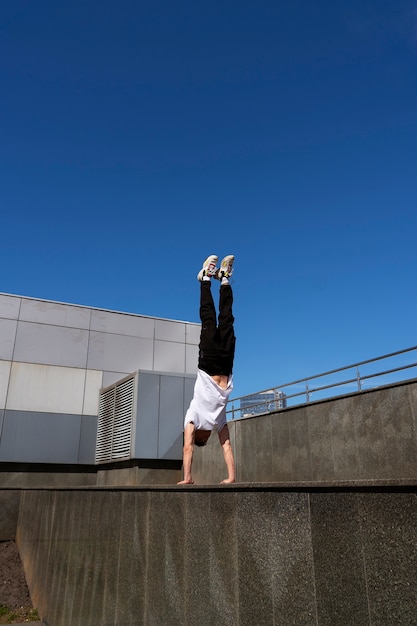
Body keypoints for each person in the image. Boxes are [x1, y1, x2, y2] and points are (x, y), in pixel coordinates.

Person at [177, 254, 236, 485]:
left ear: (200, 436)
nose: (209, 436)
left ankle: (204, 279)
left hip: (208, 364)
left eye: (205, 438)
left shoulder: (192, 418)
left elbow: (187, 448)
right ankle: (224, 279)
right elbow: (228, 446)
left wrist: (188, 478)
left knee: (209, 320)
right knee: (228, 320)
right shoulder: (218, 420)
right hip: (226, 366)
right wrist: (231, 477)